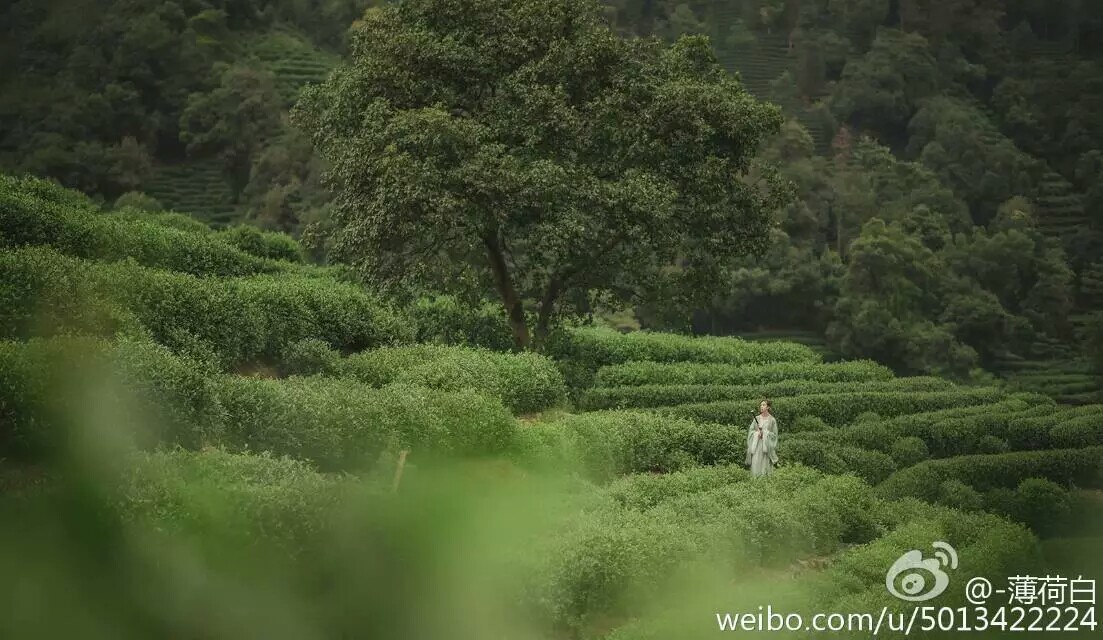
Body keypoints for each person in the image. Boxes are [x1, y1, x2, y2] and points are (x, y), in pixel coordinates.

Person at [745, 399, 779, 477]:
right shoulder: (756, 418)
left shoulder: (772, 420)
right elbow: (751, 431)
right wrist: (757, 434)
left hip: (766, 446)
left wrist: (765, 433)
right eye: (761, 405)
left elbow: (774, 435)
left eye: (764, 405)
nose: (762, 407)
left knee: (765, 465)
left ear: (768, 407)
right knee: (756, 462)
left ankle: (764, 482)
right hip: (756, 445)